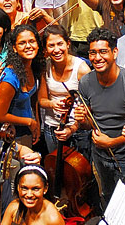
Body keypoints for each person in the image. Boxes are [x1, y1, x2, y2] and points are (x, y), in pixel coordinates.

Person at [75, 27, 125, 207]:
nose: (97, 58)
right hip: (100, 155)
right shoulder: (85, 82)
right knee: (108, 200)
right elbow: (89, 124)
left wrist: (111, 142)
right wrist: (82, 120)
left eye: (103, 52)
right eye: (93, 53)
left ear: (115, 53)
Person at [39, 25, 91, 157]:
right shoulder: (45, 67)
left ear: (68, 44)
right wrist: (52, 104)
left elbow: (90, 106)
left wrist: (73, 128)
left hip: (78, 129)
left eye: (60, 44)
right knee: (54, 165)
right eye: (51, 45)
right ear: (45, 49)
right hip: (52, 127)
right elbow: (42, 100)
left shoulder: (82, 69)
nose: (56, 50)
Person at [0, 25, 45, 147]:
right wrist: (30, 122)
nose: (28, 46)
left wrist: (37, 124)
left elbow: (34, 100)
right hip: (11, 136)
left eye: (32, 41)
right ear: (14, 48)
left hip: (27, 131)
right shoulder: (9, 79)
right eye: (22, 43)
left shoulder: (33, 67)